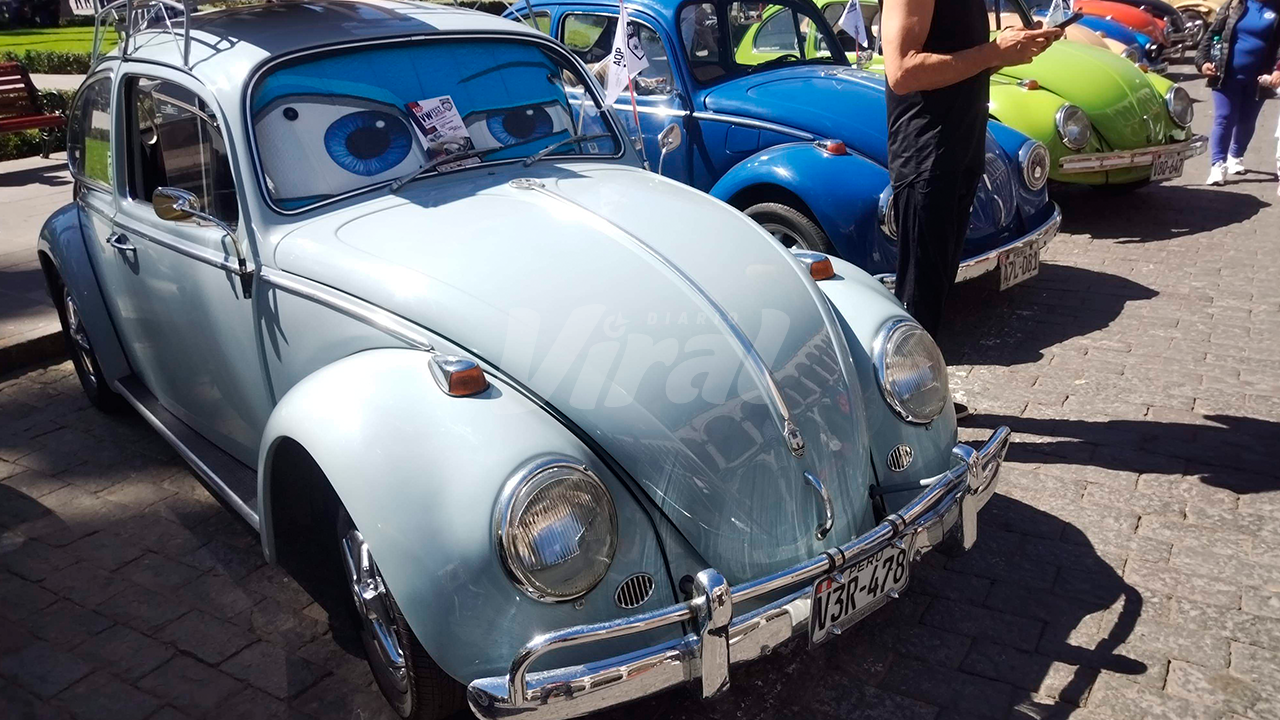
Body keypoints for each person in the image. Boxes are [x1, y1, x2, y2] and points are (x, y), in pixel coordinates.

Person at [880, 0, 1062, 416]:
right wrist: (993, 51)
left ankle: (922, 398)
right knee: (918, 296)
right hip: (927, 157)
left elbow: (958, 62)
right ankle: (903, 415)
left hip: (961, 150)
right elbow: (903, 71)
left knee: (936, 291)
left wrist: (1009, 50)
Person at [1194, 0, 1280, 185]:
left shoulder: (1277, 8)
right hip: (1226, 75)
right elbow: (1213, 34)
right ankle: (1218, 165)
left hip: (1259, 79)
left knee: (1247, 120)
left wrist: (1278, 70)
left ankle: (1235, 155)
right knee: (1224, 117)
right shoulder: (1235, 4)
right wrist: (1202, 63)